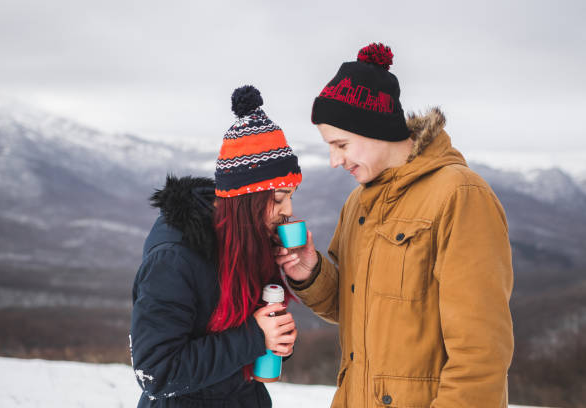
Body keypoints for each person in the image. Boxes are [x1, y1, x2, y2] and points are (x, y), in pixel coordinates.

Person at [275, 43, 514, 407]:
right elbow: (360, 309)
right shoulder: (359, 203)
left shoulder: (459, 195)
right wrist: (311, 273)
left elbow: (480, 352)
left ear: (374, 130)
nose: (334, 161)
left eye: (341, 144)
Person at [131, 85, 301, 407]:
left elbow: (241, 343)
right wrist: (254, 336)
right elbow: (156, 371)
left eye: (291, 197)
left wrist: (275, 338)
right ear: (248, 201)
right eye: (279, 198)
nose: (289, 210)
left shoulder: (251, 243)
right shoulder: (174, 260)